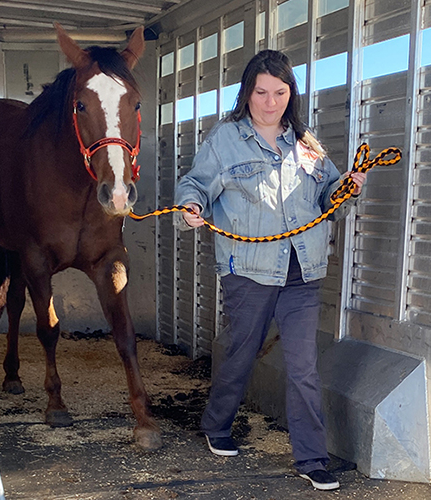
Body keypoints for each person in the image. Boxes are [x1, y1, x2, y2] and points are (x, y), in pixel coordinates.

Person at [173, 50, 366, 492]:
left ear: (290, 94)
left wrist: (349, 187)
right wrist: (191, 206)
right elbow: (194, 183)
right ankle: (217, 424)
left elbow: (329, 199)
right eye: (261, 92)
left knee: (303, 367)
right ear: (248, 92)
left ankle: (312, 458)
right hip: (249, 269)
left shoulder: (306, 143)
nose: (270, 101)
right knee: (241, 351)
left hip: (303, 270)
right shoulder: (225, 140)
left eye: (280, 92)